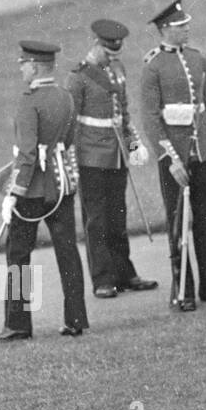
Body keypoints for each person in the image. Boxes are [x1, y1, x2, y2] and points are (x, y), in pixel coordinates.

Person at [141, 0, 206, 311]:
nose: (186, 29)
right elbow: (151, 118)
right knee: (179, 223)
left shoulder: (198, 60)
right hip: (177, 157)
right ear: (164, 29)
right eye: (179, 26)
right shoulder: (153, 66)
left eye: (186, 25)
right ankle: (182, 290)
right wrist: (170, 158)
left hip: (203, 152)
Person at [0, 41, 89, 339]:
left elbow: (27, 154)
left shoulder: (28, 102)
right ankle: (76, 319)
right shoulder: (65, 97)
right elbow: (69, 140)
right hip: (60, 185)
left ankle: (18, 324)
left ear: (34, 66)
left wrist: (12, 193)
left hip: (32, 192)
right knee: (68, 252)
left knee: (18, 256)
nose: (21, 68)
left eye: (24, 63)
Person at [67, 19, 158, 299]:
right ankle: (103, 279)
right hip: (92, 156)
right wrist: (72, 160)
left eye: (115, 53)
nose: (111, 58)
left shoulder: (118, 69)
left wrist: (133, 145)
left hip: (117, 154)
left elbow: (124, 113)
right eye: (107, 52)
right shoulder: (80, 77)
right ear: (95, 44)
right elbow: (72, 122)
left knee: (118, 216)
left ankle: (124, 273)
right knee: (97, 220)